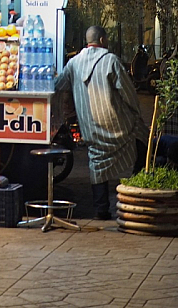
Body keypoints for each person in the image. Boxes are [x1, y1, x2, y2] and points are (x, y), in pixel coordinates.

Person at [55, 24, 148, 219]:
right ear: (103, 40)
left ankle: (101, 210)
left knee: (96, 163)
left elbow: (58, 85)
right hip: (118, 126)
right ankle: (137, 192)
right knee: (141, 137)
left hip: (91, 130)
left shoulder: (73, 63)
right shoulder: (111, 60)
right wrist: (136, 113)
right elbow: (128, 94)